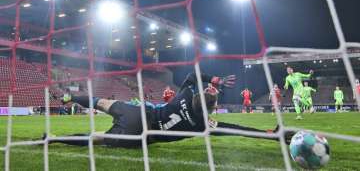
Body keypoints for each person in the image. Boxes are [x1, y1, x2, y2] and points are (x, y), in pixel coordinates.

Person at [47, 73, 294, 148]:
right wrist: (272, 134)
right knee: (96, 138)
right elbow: (238, 129)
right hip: (142, 136)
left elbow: (191, 75)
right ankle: (54, 139)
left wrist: (215, 80)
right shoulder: (203, 125)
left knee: (100, 102)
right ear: (212, 110)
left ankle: (70, 97)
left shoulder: (186, 93)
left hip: (141, 114)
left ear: (198, 95)